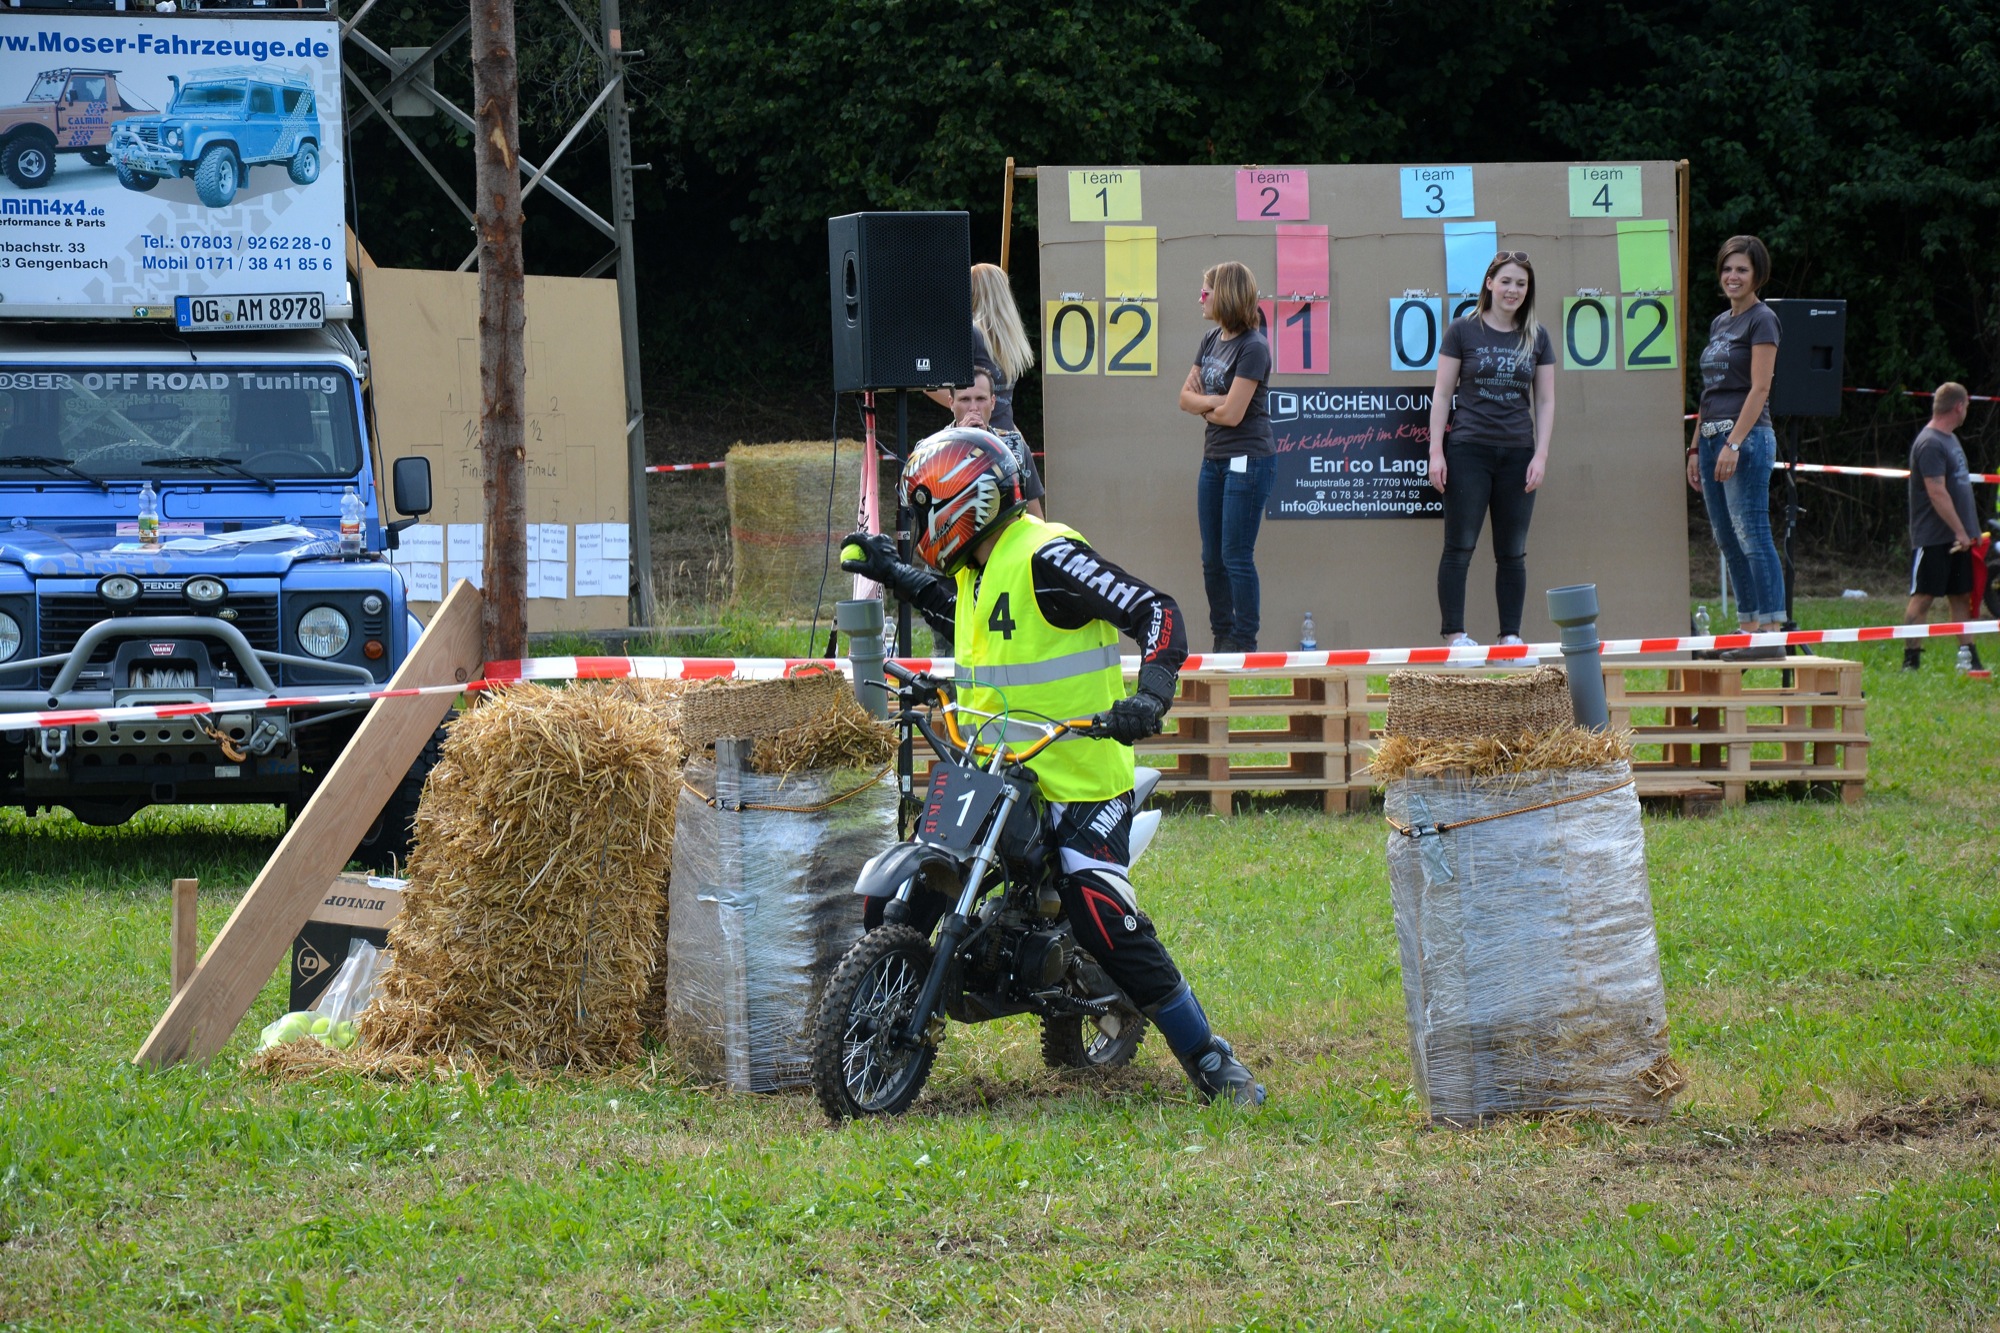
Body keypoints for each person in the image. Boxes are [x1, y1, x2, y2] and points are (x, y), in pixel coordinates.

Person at [841, 427, 1265, 1107]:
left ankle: (1211, 1059)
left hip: (1079, 777)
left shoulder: (1048, 555)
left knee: (1101, 914)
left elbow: (1156, 611)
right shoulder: (976, 571)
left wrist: (1150, 694)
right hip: (997, 771)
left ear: (964, 504)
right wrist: (892, 568)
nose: (918, 524)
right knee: (900, 891)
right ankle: (883, 1026)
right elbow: (965, 615)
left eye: (923, 508)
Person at [1426, 250, 1556, 656]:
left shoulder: (1537, 336)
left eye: (1521, 283)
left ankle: (1510, 638)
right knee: (1459, 547)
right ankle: (1455, 638)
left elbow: (1547, 401)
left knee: (1512, 552)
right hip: (1468, 450)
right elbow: (1443, 393)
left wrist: (1541, 456)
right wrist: (1436, 452)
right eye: (1506, 281)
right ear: (1489, 284)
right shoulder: (1462, 330)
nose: (1513, 289)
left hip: (1518, 453)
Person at [1689, 235, 1787, 660]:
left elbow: (1760, 386)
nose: (1733, 276)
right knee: (1726, 536)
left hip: (1744, 439)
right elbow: (1709, 392)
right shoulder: (1719, 323)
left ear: (1757, 275)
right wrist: (1695, 448)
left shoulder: (1763, 319)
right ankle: (1747, 630)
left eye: (1742, 270)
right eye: (1728, 268)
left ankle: (1770, 633)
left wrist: (1733, 442)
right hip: (1711, 438)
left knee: (1753, 532)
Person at [1177, 260, 1274, 651]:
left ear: (1227, 294)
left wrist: (1206, 403)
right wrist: (1213, 401)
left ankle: (1244, 642)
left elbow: (1233, 415)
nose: (1200, 298)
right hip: (1214, 459)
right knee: (1211, 558)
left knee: (1236, 555)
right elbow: (1183, 398)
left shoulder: (1254, 347)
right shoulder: (1210, 339)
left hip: (1249, 461)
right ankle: (1222, 639)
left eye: (1206, 290)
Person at [1901, 382, 1983, 672]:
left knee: (1960, 596)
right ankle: (1911, 661)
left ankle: (1968, 657)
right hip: (1934, 537)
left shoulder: (1950, 439)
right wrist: (1959, 531)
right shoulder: (1930, 443)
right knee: (1923, 597)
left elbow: (1957, 488)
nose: (1966, 411)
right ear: (1958, 406)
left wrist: (1968, 530)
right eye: (1967, 406)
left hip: (1958, 537)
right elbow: (1936, 492)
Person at [950, 369, 1044, 518]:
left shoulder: (1015, 446)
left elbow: (1036, 517)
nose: (973, 408)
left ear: (992, 402)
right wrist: (961, 442)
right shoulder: (931, 450)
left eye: (981, 399)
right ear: (952, 403)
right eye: (965, 399)